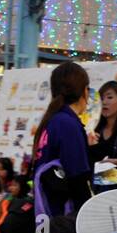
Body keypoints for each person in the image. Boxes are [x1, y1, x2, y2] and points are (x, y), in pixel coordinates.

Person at [32, 61, 93, 219]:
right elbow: (78, 180)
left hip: (44, 211)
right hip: (63, 217)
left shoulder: (53, 120)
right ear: (84, 92)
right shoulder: (68, 124)